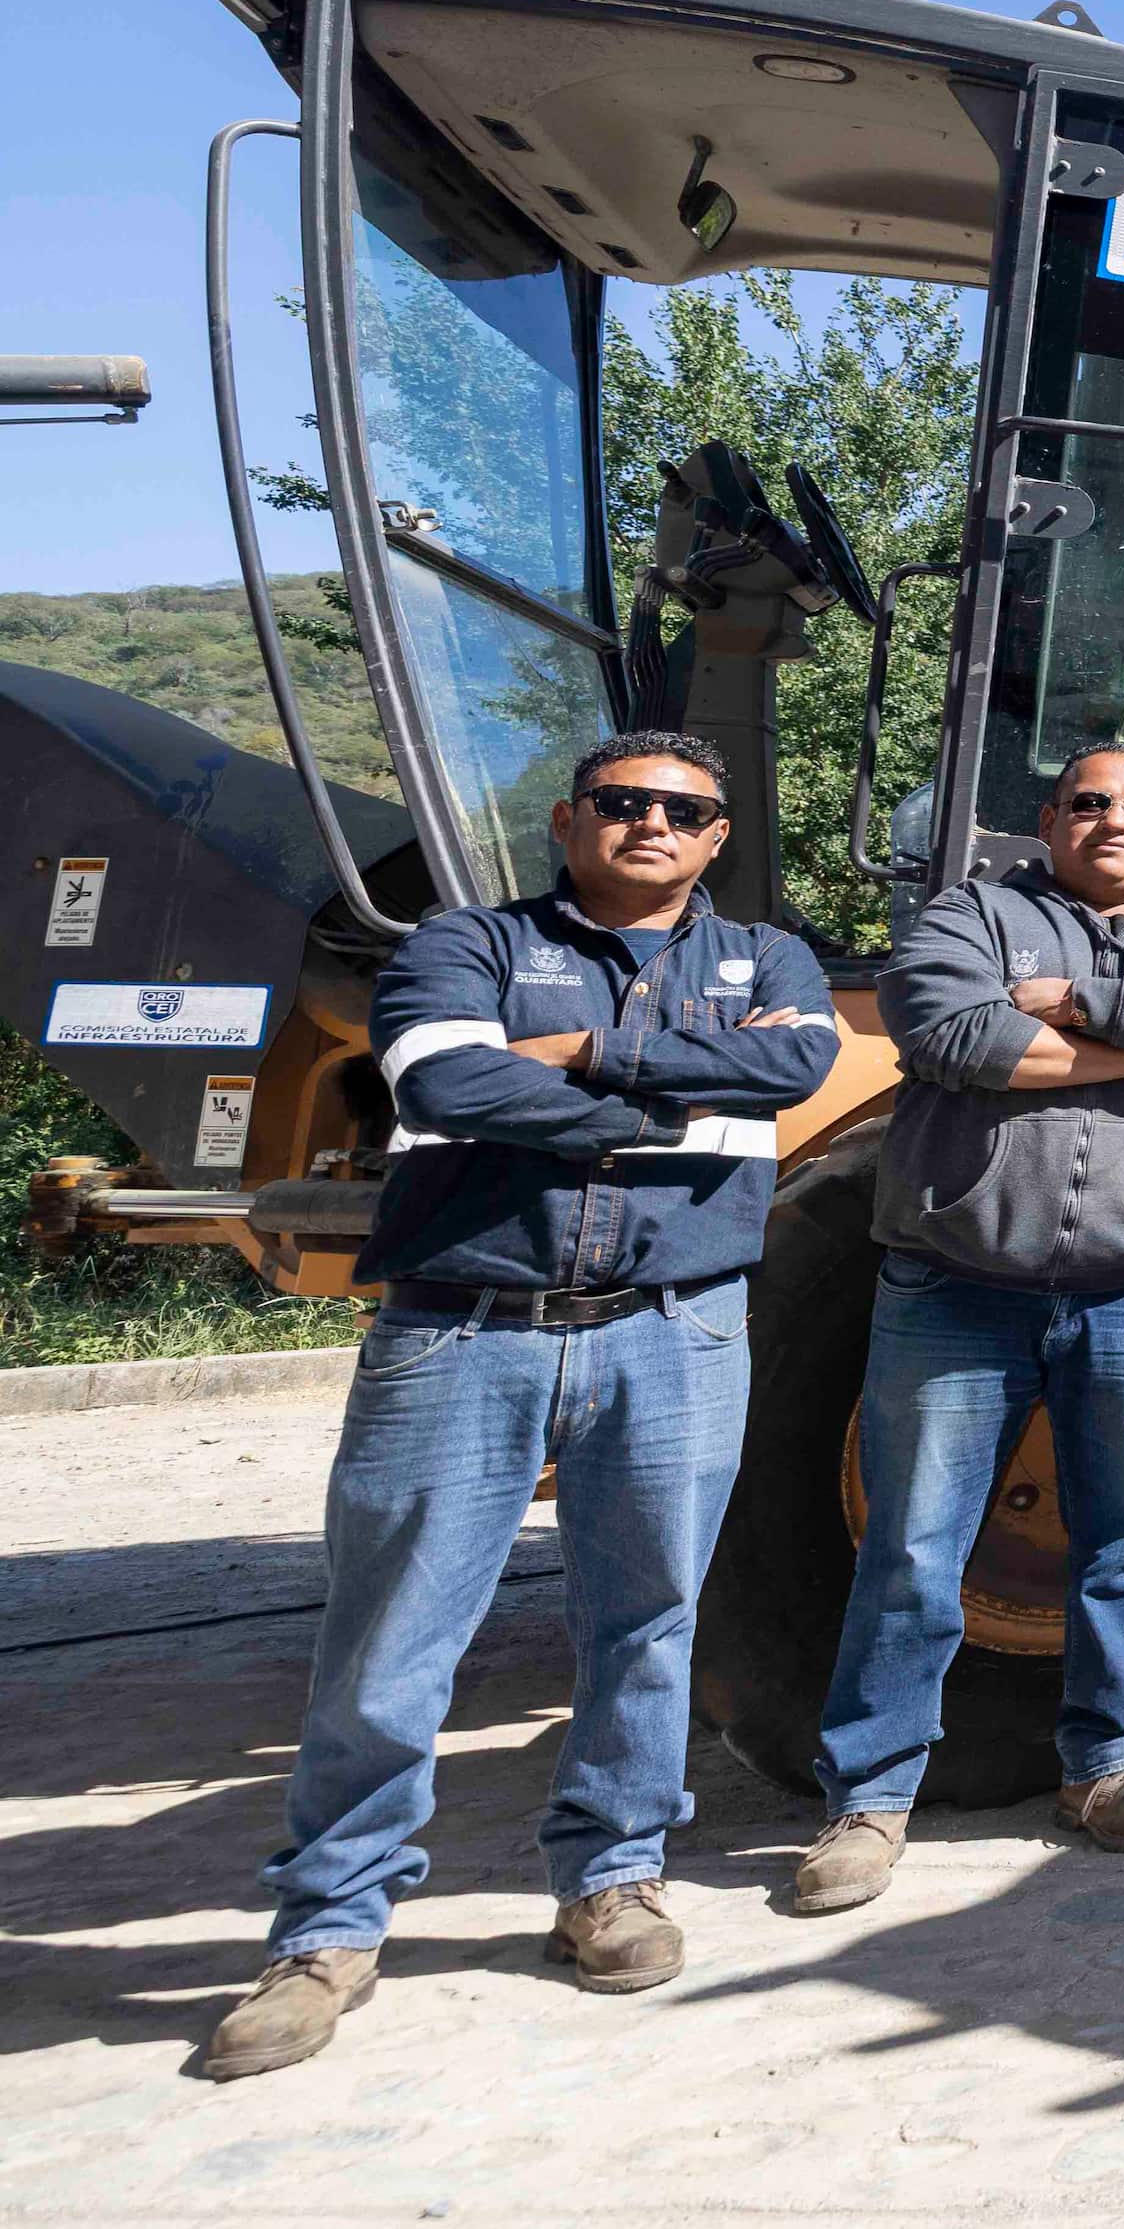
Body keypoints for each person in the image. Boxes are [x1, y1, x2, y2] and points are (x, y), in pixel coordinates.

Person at [203, 735, 837, 2079]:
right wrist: (672, 1071)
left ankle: (612, 1879)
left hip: (675, 1331)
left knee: (651, 1624)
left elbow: (790, 1074)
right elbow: (441, 1082)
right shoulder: (460, 945)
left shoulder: (772, 963)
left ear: (719, 836)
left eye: (683, 809)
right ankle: (328, 1929)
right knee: (389, 1640)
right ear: (568, 819)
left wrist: (573, 1059)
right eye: (622, 803)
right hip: (461, 1329)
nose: (651, 823)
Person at [798, 744, 1124, 1909]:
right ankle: (868, 1795)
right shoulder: (972, 912)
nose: (1112, 820)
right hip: (956, 1284)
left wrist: (1075, 1006)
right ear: (1048, 821)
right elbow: (954, 1039)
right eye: (1088, 802)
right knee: (915, 1545)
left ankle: (1107, 1764)